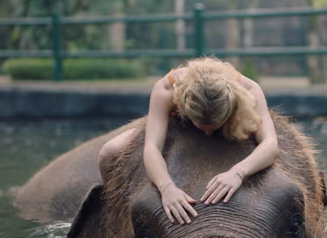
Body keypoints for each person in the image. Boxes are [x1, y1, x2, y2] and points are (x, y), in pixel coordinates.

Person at [97, 57, 279, 225]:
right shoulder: (167, 89)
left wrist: (238, 172)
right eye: (202, 125)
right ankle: (115, 216)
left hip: (229, 123)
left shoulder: (249, 90)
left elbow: (270, 144)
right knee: (109, 152)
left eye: (214, 125)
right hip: (176, 126)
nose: (208, 132)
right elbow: (152, 147)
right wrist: (166, 188)